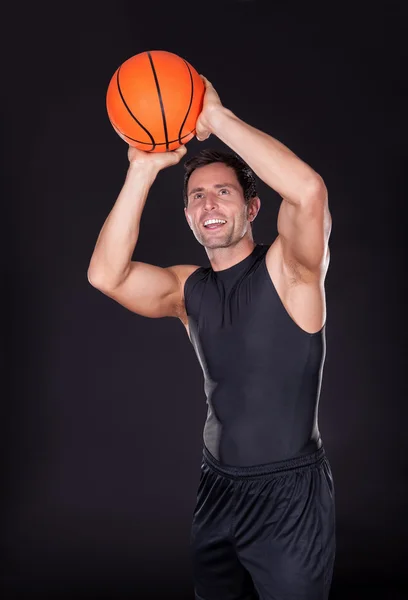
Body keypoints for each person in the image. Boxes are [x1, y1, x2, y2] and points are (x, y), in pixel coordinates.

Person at [88, 75, 335, 600]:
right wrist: (143, 168)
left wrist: (215, 119)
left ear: (251, 208)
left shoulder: (291, 270)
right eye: (197, 197)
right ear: (189, 218)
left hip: (288, 496)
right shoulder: (186, 289)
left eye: (223, 192)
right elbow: (105, 275)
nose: (209, 204)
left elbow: (308, 191)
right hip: (216, 489)